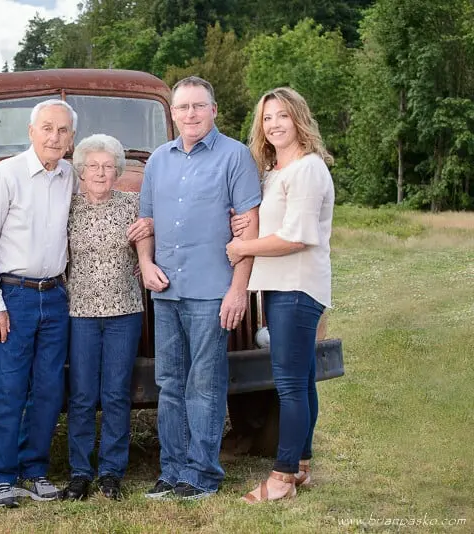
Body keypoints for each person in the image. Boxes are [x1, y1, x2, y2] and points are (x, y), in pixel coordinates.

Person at [136, 76, 261, 501]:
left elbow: (249, 228)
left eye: (198, 106)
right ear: (172, 114)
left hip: (211, 291)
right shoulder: (158, 160)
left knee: (204, 383)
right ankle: (172, 471)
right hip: (166, 291)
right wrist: (146, 263)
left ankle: (202, 474)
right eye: (183, 107)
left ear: (213, 110)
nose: (190, 114)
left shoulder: (235, 156)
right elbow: (146, 223)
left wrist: (238, 289)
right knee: (169, 383)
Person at [225, 87, 334, 503]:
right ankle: (301, 465)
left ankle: (282, 477)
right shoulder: (276, 171)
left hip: (297, 287)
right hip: (283, 286)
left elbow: (296, 237)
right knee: (302, 380)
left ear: (299, 119)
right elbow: (272, 222)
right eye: (267, 117)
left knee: (288, 385)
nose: (274, 124)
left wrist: (242, 248)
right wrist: (244, 228)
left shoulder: (307, 169)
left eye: (282, 116)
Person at [0, 99, 77, 509]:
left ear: (71, 138)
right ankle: (1, 477)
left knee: (48, 389)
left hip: (55, 295)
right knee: (8, 387)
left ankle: (35, 470)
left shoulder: (69, 176)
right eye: (47, 128)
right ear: (31, 131)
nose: (54, 137)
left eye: (62, 130)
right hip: (13, 294)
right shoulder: (5, 175)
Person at [60, 134, 144, 502]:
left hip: (124, 312)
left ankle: (111, 472)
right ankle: (80, 471)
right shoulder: (68, 208)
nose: (100, 172)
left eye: (108, 166)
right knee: (81, 395)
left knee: (115, 394)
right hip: (80, 313)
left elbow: (152, 239)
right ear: (81, 170)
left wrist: (148, 251)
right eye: (93, 166)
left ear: (117, 171)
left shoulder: (132, 205)